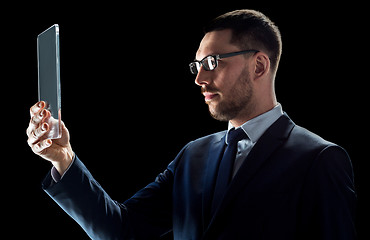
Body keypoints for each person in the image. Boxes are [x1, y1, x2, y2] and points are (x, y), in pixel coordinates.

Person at [26, 9, 356, 240]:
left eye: (212, 62)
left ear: (258, 65)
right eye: (197, 65)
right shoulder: (192, 156)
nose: (199, 77)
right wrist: (64, 159)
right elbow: (122, 231)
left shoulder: (319, 159)